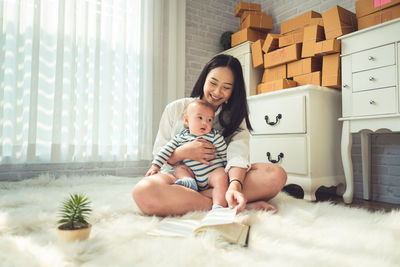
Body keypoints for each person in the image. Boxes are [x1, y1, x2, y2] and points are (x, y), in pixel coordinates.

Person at [133, 54, 287, 216]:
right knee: (143, 191)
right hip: (179, 178)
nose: (217, 92)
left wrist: (235, 185)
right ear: (204, 79)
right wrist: (183, 152)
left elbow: (237, 155)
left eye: (226, 87)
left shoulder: (234, 117)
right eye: (213, 83)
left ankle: (194, 200)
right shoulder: (176, 109)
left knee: (275, 175)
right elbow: (160, 153)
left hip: (217, 178)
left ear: (234, 90)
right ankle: (224, 203)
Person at [145, 99, 229, 209]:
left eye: (209, 120)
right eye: (200, 118)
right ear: (187, 120)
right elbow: (166, 150)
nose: (205, 123)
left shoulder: (214, 136)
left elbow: (225, 155)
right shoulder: (180, 137)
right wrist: (155, 166)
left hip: (212, 173)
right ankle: (188, 181)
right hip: (193, 174)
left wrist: (227, 170)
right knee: (179, 169)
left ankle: (218, 205)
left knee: (221, 176)